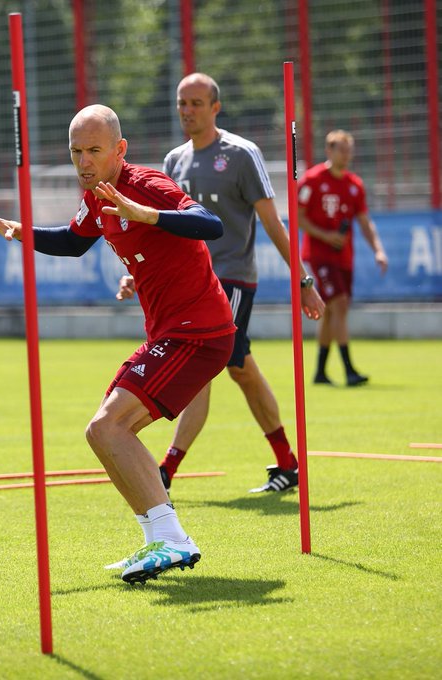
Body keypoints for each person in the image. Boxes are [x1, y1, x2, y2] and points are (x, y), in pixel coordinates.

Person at [0, 104, 236, 584]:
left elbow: (209, 223)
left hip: (197, 333)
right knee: (103, 433)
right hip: (172, 333)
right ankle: (159, 539)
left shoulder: (146, 184)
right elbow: (73, 242)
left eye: (94, 150)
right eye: (76, 151)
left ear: (120, 149)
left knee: (108, 427)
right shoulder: (95, 197)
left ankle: (172, 539)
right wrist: (20, 231)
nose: (84, 161)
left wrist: (147, 215)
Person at [117, 72, 325, 494]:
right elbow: (164, 231)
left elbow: (273, 223)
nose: (187, 110)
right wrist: (137, 274)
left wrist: (303, 280)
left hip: (231, 279)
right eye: (182, 103)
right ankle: (287, 463)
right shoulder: (174, 161)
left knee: (203, 366)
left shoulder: (241, 154)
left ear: (216, 107)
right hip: (190, 282)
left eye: (196, 103)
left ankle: (166, 470)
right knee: (240, 368)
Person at [298, 129, 388, 386]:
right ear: (329, 151)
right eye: (342, 150)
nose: (346, 155)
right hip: (319, 256)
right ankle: (349, 370)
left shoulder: (354, 184)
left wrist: (378, 249)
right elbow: (299, 217)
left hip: (343, 257)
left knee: (330, 311)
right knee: (339, 305)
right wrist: (326, 236)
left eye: (349, 150)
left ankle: (320, 372)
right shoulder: (312, 180)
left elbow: (364, 221)